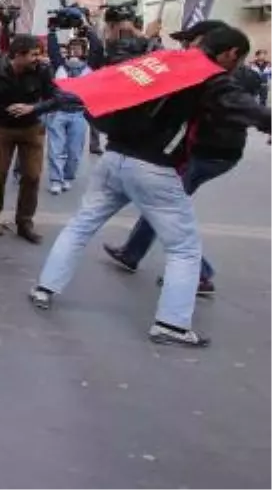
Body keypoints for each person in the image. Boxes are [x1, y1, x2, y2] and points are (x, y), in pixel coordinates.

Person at [30, 25, 272, 347]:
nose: (236, 67)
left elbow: (105, 81)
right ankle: (172, 323)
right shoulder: (209, 77)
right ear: (229, 53)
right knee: (184, 249)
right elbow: (245, 109)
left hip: (114, 157)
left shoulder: (160, 61)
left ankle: (44, 288)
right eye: (237, 60)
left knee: (81, 225)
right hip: (155, 168)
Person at [101, 20, 238, 295]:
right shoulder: (198, 70)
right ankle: (132, 252)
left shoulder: (218, 78)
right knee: (160, 205)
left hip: (208, 154)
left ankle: (198, 274)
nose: (185, 46)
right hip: (198, 152)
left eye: (191, 41)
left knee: (167, 210)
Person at [0, 34, 62, 244]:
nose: (38, 58)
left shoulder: (43, 70)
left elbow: (57, 98)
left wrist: (33, 108)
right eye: (34, 54)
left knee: (32, 176)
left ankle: (25, 222)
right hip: (1, 127)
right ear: (18, 55)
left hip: (31, 128)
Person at [44, 33, 93, 195]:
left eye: (78, 48)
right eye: (72, 48)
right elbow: (53, 51)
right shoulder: (61, 65)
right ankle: (56, 179)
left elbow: (98, 49)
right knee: (55, 149)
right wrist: (52, 32)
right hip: (59, 112)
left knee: (74, 151)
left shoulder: (89, 67)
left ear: (84, 51)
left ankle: (67, 176)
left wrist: (88, 30)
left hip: (79, 113)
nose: (74, 51)